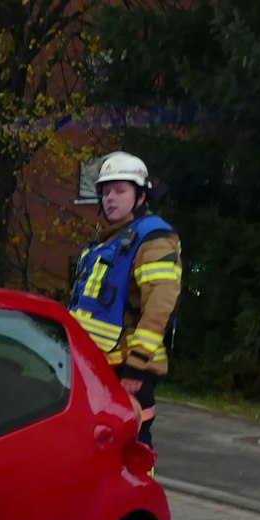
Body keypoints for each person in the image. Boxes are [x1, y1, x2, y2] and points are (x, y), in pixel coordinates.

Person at [69, 151, 182, 447]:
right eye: (106, 191)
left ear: (141, 196)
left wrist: (137, 366)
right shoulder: (109, 240)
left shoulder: (153, 238)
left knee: (133, 445)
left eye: (120, 190)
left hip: (130, 369)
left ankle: (143, 493)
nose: (111, 198)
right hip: (99, 365)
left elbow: (160, 306)